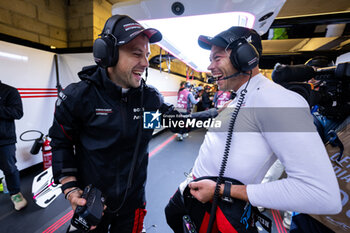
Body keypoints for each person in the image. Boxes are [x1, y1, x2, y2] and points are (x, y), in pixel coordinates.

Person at [49, 15, 218, 233]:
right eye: (137, 53)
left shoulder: (147, 100)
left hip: (133, 203)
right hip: (93, 205)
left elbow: (176, 123)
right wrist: (71, 189)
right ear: (107, 54)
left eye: (147, 55)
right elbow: (61, 142)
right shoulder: (79, 97)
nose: (146, 63)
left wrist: (218, 114)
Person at [165, 26, 342, 232]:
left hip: (218, 210)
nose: (210, 66)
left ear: (245, 57)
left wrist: (222, 190)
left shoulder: (276, 101)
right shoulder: (243, 97)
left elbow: (321, 193)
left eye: (217, 58)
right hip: (197, 201)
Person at [0, 81, 27, 211]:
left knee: (9, 168)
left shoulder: (9, 91)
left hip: (5, 140)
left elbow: (18, 113)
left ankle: (16, 194)